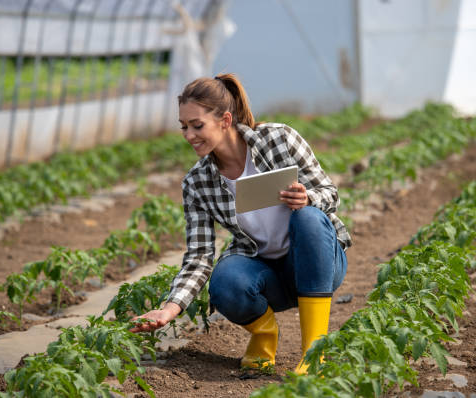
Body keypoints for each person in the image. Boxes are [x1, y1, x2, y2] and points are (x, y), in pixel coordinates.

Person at [130, 73, 351, 374]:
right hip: (266, 274)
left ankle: (315, 353)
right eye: (183, 127)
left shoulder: (280, 140)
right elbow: (199, 255)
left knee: (308, 219)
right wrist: (171, 308)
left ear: (224, 120)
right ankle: (264, 335)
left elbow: (331, 194)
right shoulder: (197, 182)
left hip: (317, 265)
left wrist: (308, 198)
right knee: (225, 281)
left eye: (197, 125)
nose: (189, 135)